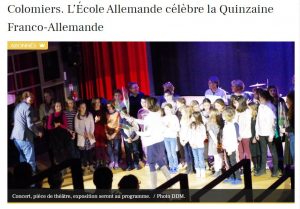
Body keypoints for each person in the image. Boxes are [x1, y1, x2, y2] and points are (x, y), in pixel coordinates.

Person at [123, 97, 171, 189]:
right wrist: (133, 119)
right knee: (161, 162)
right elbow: (145, 122)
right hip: (159, 142)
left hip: (152, 143)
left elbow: (148, 132)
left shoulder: (151, 116)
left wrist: (138, 133)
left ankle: (153, 187)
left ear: (149, 104)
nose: (144, 104)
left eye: (146, 103)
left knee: (152, 164)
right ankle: (170, 181)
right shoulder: (157, 114)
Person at [10, 91, 43, 173]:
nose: (32, 99)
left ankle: (25, 180)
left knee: (23, 160)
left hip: (16, 138)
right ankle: (33, 184)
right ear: (25, 98)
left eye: (32, 98)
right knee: (30, 161)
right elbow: (30, 125)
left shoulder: (18, 106)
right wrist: (38, 133)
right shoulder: (27, 107)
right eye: (30, 97)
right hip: (25, 138)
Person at [255, 90, 278, 177]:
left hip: (269, 133)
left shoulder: (270, 107)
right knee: (263, 152)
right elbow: (258, 120)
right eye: (259, 97)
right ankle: (262, 169)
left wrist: (271, 134)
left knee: (273, 152)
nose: (259, 98)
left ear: (265, 97)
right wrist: (257, 132)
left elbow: (273, 122)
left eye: (260, 97)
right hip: (261, 133)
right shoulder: (261, 106)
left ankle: (275, 170)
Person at [268, 85, 288, 172]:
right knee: (273, 147)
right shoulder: (268, 102)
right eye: (271, 91)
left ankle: (281, 165)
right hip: (271, 126)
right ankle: (275, 165)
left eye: (274, 90)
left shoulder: (281, 100)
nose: (273, 92)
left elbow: (285, 113)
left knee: (279, 146)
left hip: (279, 126)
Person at [222, 107, 242, 185]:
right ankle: (231, 177)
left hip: (231, 148)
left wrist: (230, 149)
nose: (222, 116)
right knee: (228, 163)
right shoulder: (226, 124)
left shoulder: (231, 126)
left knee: (233, 163)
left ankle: (238, 178)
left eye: (223, 115)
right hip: (227, 147)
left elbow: (232, 138)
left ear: (227, 116)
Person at [75, 101, 96, 174]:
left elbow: (92, 125)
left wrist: (90, 132)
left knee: (90, 152)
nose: (83, 108)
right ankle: (85, 167)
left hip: (89, 136)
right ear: (79, 108)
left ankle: (91, 165)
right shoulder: (77, 116)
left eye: (84, 107)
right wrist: (83, 133)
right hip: (82, 137)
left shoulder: (89, 114)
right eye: (82, 107)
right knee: (83, 154)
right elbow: (76, 128)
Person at [162, 103, 180, 173]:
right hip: (166, 137)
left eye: (168, 109)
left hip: (172, 137)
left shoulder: (174, 117)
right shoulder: (163, 118)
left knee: (173, 153)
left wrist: (170, 126)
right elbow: (162, 129)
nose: (167, 110)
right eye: (165, 109)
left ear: (171, 109)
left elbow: (178, 128)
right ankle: (171, 167)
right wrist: (164, 127)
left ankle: (175, 166)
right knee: (169, 153)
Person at [232, 96, 252, 160]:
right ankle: (241, 166)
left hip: (245, 135)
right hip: (237, 135)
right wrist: (237, 135)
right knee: (240, 151)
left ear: (241, 103)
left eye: (236, 103)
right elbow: (234, 122)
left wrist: (241, 135)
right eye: (234, 103)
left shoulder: (247, 111)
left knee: (247, 151)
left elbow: (247, 125)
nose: (235, 104)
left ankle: (248, 166)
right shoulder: (236, 111)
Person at [188, 112, 207, 178]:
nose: (191, 118)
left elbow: (204, 136)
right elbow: (189, 135)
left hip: (199, 145)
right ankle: (198, 171)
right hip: (193, 146)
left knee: (200, 158)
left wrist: (197, 143)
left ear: (196, 117)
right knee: (195, 158)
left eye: (192, 117)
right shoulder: (191, 125)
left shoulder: (201, 126)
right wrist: (191, 143)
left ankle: (202, 171)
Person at [91, 98, 108, 168]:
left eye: (98, 102)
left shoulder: (103, 111)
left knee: (103, 146)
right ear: (93, 103)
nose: (98, 104)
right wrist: (95, 121)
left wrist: (100, 119)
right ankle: (98, 161)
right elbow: (90, 123)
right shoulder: (91, 112)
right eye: (96, 102)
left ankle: (104, 162)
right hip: (95, 131)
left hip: (102, 130)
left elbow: (105, 121)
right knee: (97, 147)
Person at [207, 108, 223, 177]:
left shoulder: (210, 123)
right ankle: (219, 170)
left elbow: (212, 134)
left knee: (217, 157)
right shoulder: (218, 123)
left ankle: (218, 171)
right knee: (219, 157)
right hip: (218, 142)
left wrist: (217, 143)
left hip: (215, 143)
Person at [106, 102, 121, 169]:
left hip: (116, 132)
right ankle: (112, 161)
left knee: (116, 149)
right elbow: (105, 124)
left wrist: (114, 134)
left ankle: (116, 162)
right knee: (109, 149)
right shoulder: (106, 114)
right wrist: (106, 134)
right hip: (108, 133)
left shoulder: (117, 113)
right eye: (107, 106)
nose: (108, 108)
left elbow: (118, 124)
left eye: (110, 106)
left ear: (113, 106)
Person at [280, 91, 294, 163]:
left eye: (287, 100)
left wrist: (285, 129)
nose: (286, 102)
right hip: (290, 135)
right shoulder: (290, 110)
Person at [179, 106, 194, 175]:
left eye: (182, 111)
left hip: (189, 139)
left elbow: (189, 131)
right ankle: (189, 168)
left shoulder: (190, 119)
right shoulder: (182, 119)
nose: (181, 112)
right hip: (184, 139)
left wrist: (185, 140)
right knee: (186, 155)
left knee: (190, 154)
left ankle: (191, 168)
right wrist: (181, 139)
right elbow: (181, 130)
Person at [248, 102, 261, 174]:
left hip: (255, 136)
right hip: (250, 136)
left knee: (257, 151)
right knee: (253, 152)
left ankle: (258, 167)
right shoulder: (248, 117)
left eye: (249, 108)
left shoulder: (256, 117)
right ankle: (255, 166)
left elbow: (256, 128)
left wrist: (254, 137)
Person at [137, 95, 150, 163]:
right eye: (141, 102)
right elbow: (139, 122)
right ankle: (147, 160)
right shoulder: (140, 111)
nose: (142, 103)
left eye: (144, 102)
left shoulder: (151, 110)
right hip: (143, 132)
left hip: (151, 132)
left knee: (151, 146)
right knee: (144, 147)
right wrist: (143, 129)